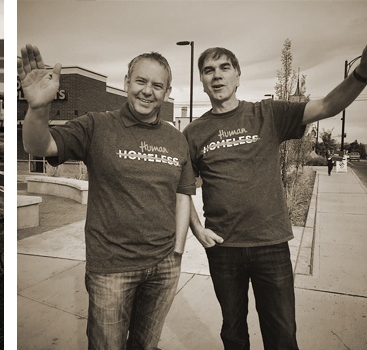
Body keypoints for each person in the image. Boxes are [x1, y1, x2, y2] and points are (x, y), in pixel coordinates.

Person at [183, 45, 367, 349]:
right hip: (223, 248)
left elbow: (327, 106)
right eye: (208, 70)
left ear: (238, 75)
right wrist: (197, 229)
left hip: (271, 245)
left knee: (282, 335)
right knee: (233, 332)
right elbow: (182, 187)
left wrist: (361, 75)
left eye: (225, 67)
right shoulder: (193, 133)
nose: (217, 76)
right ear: (202, 81)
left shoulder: (267, 113)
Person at [18, 44, 195, 349]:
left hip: (164, 267)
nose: (147, 91)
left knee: (146, 345)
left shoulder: (176, 139)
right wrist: (37, 109)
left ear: (166, 93)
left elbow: (183, 192)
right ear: (127, 82)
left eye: (157, 86)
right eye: (141, 81)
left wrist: (176, 253)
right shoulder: (96, 126)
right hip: (112, 269)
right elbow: (39, 146)